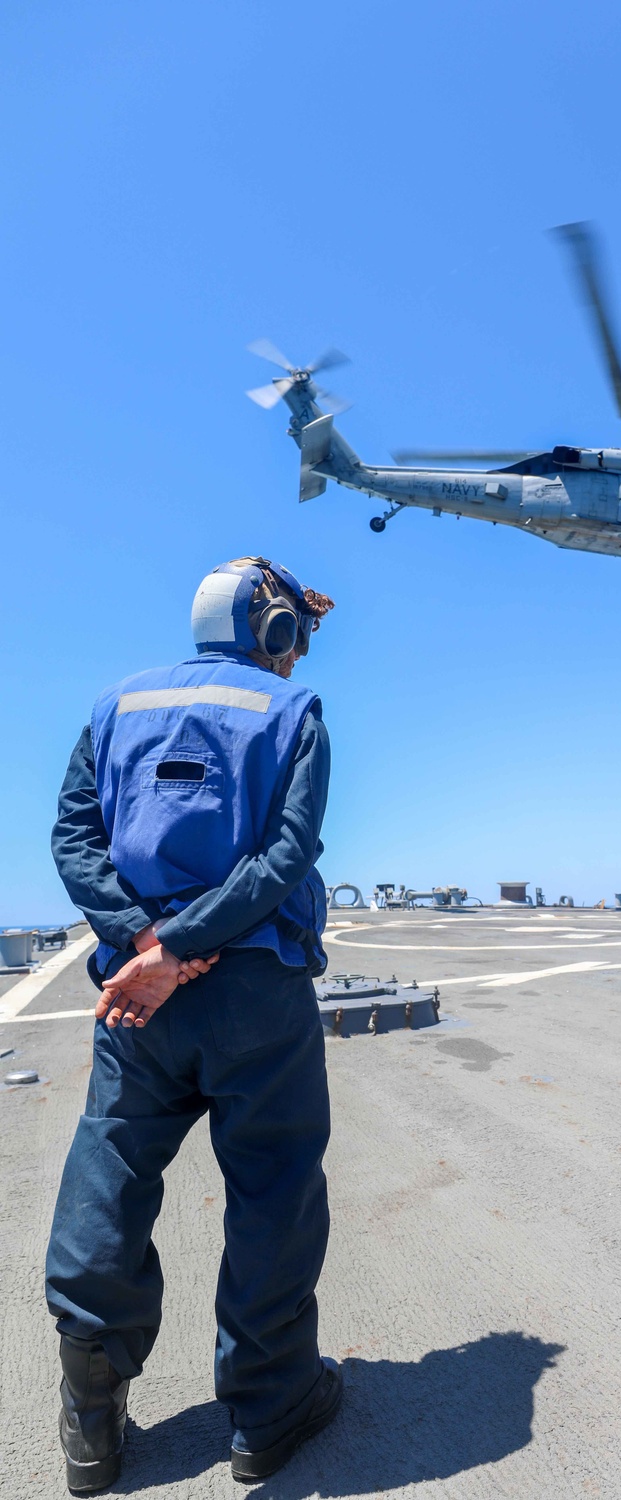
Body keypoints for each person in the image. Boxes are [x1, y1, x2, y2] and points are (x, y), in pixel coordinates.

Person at [46, 557, 340, 1492]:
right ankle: (268, 1409)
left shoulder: (113, 706)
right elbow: (288, 854)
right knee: (274, 1188)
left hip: (135, 999)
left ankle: (91, 1424)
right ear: (275, 631)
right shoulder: (291, 712)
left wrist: (142, 944)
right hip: (254, 988)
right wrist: (183, 945)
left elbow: (73, 837)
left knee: (111, 1174)